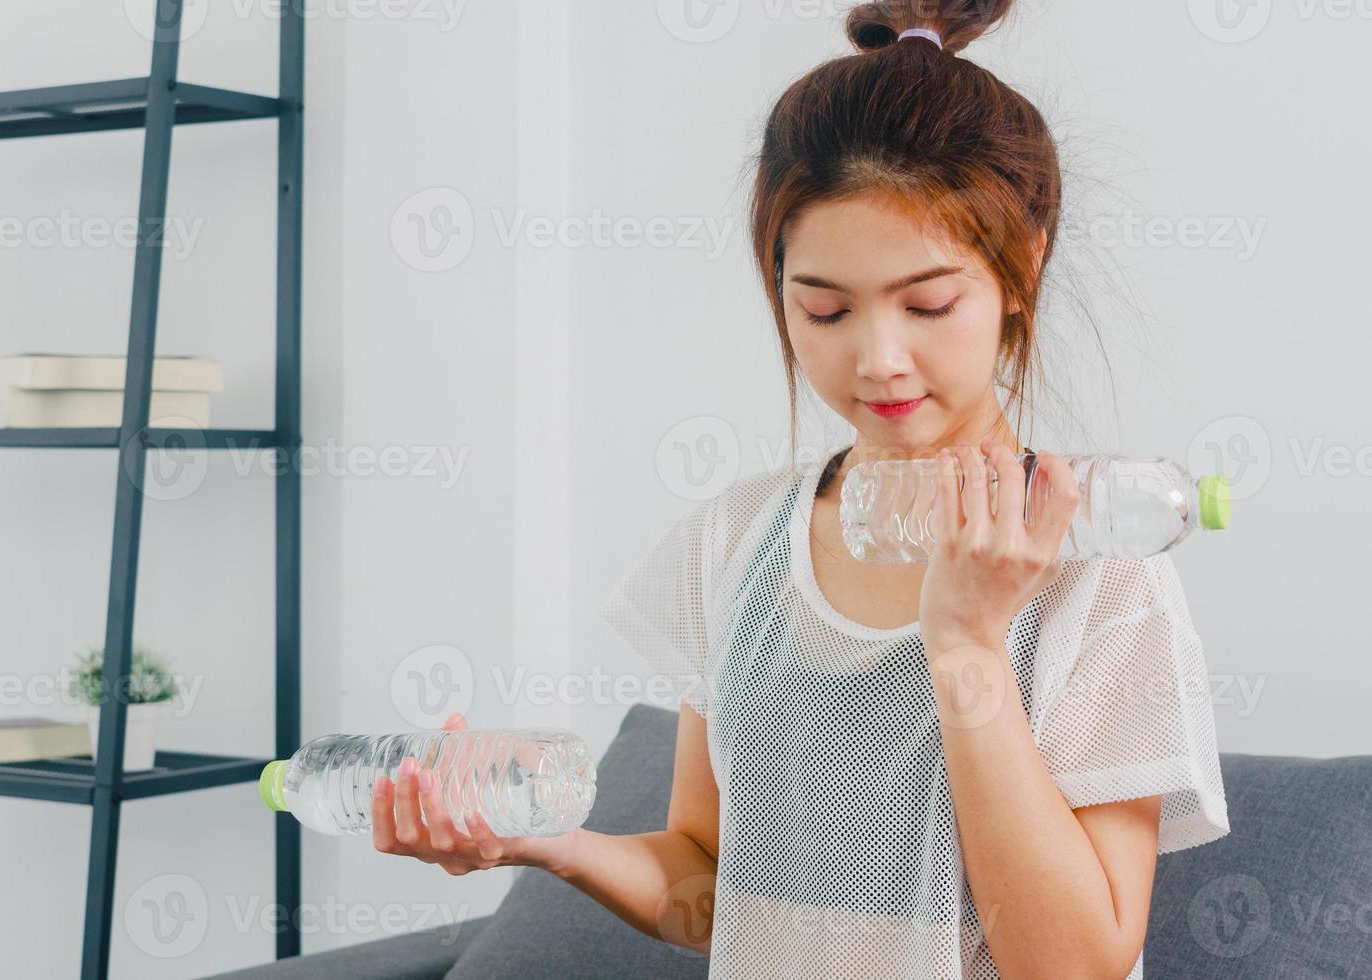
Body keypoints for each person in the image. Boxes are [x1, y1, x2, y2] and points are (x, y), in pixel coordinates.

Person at [367, 3, 1229, 977]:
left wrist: (965, 641)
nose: (877, 359)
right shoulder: (738, 539)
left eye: (927, 302)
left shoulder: (1096, 569)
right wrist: (536, 838)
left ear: (1020, 267)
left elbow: (1071, 961)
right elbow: (711, 885)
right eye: (821, 307)